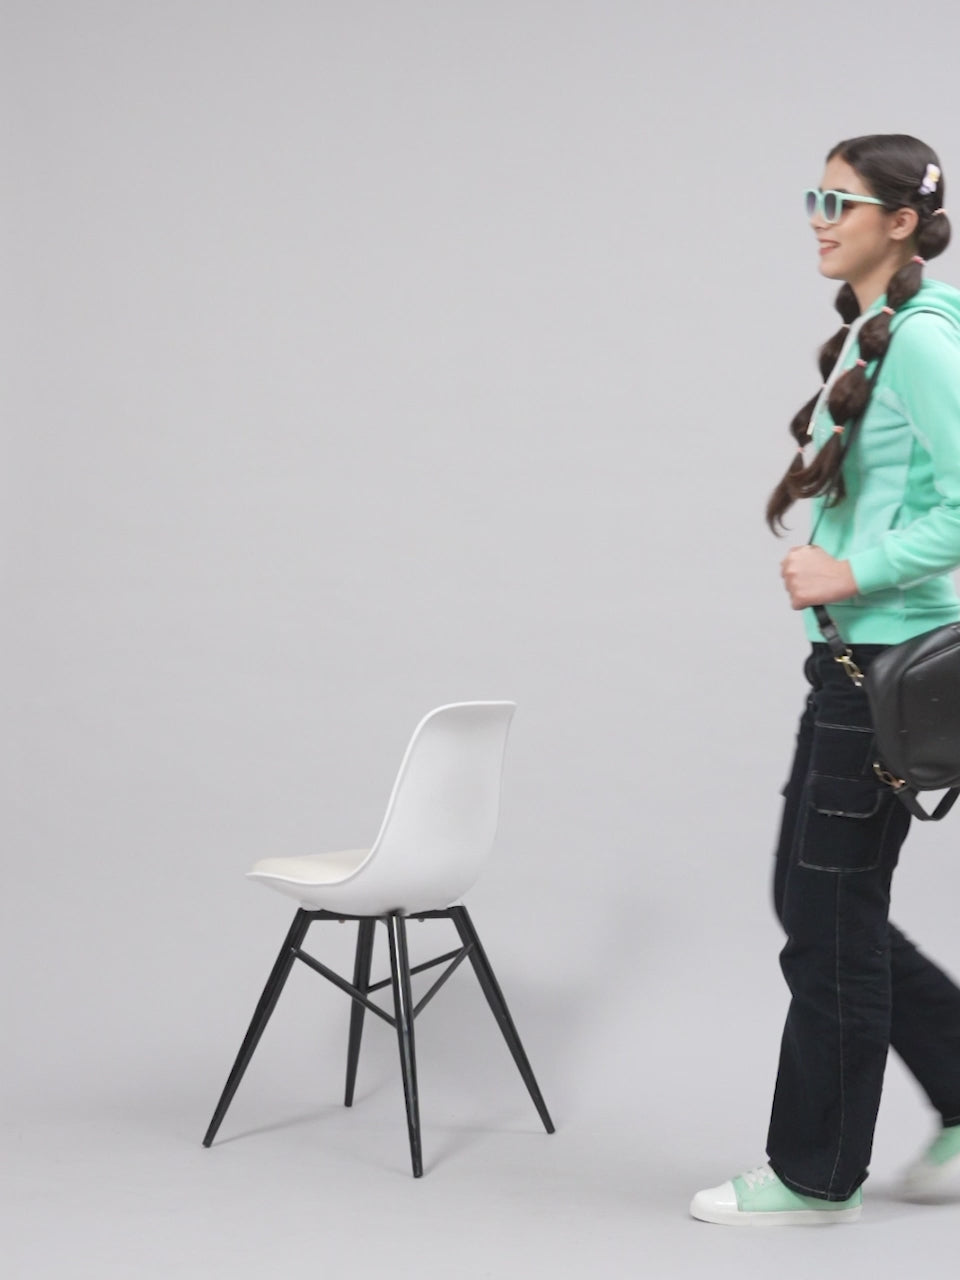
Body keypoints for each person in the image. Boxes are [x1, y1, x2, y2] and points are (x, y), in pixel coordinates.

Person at [691, 134, 960, 1226]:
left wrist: (853, 570)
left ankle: (814, 1175)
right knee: (818, 902)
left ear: (900, 220)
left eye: (839, 201)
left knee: (830, 916)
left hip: (885, 668)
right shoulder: (871, 329)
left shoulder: (924, 343)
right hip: (850, 665)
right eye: (816, 195)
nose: (818, 216)